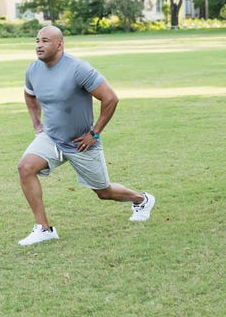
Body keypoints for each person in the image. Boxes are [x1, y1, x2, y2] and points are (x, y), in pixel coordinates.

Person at [17, 26, 155, 246]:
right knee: (25, 167)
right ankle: (44, 229)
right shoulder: (33, 70)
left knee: (104, 192)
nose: (39, 45)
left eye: (45, 41)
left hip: (81, 143)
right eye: (36, 41)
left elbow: (110, 98)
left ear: (59, 44)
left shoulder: (78, 69)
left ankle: (141, 199)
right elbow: (29, 94)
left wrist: (95, 133)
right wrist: (36, 124)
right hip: (51, 138)